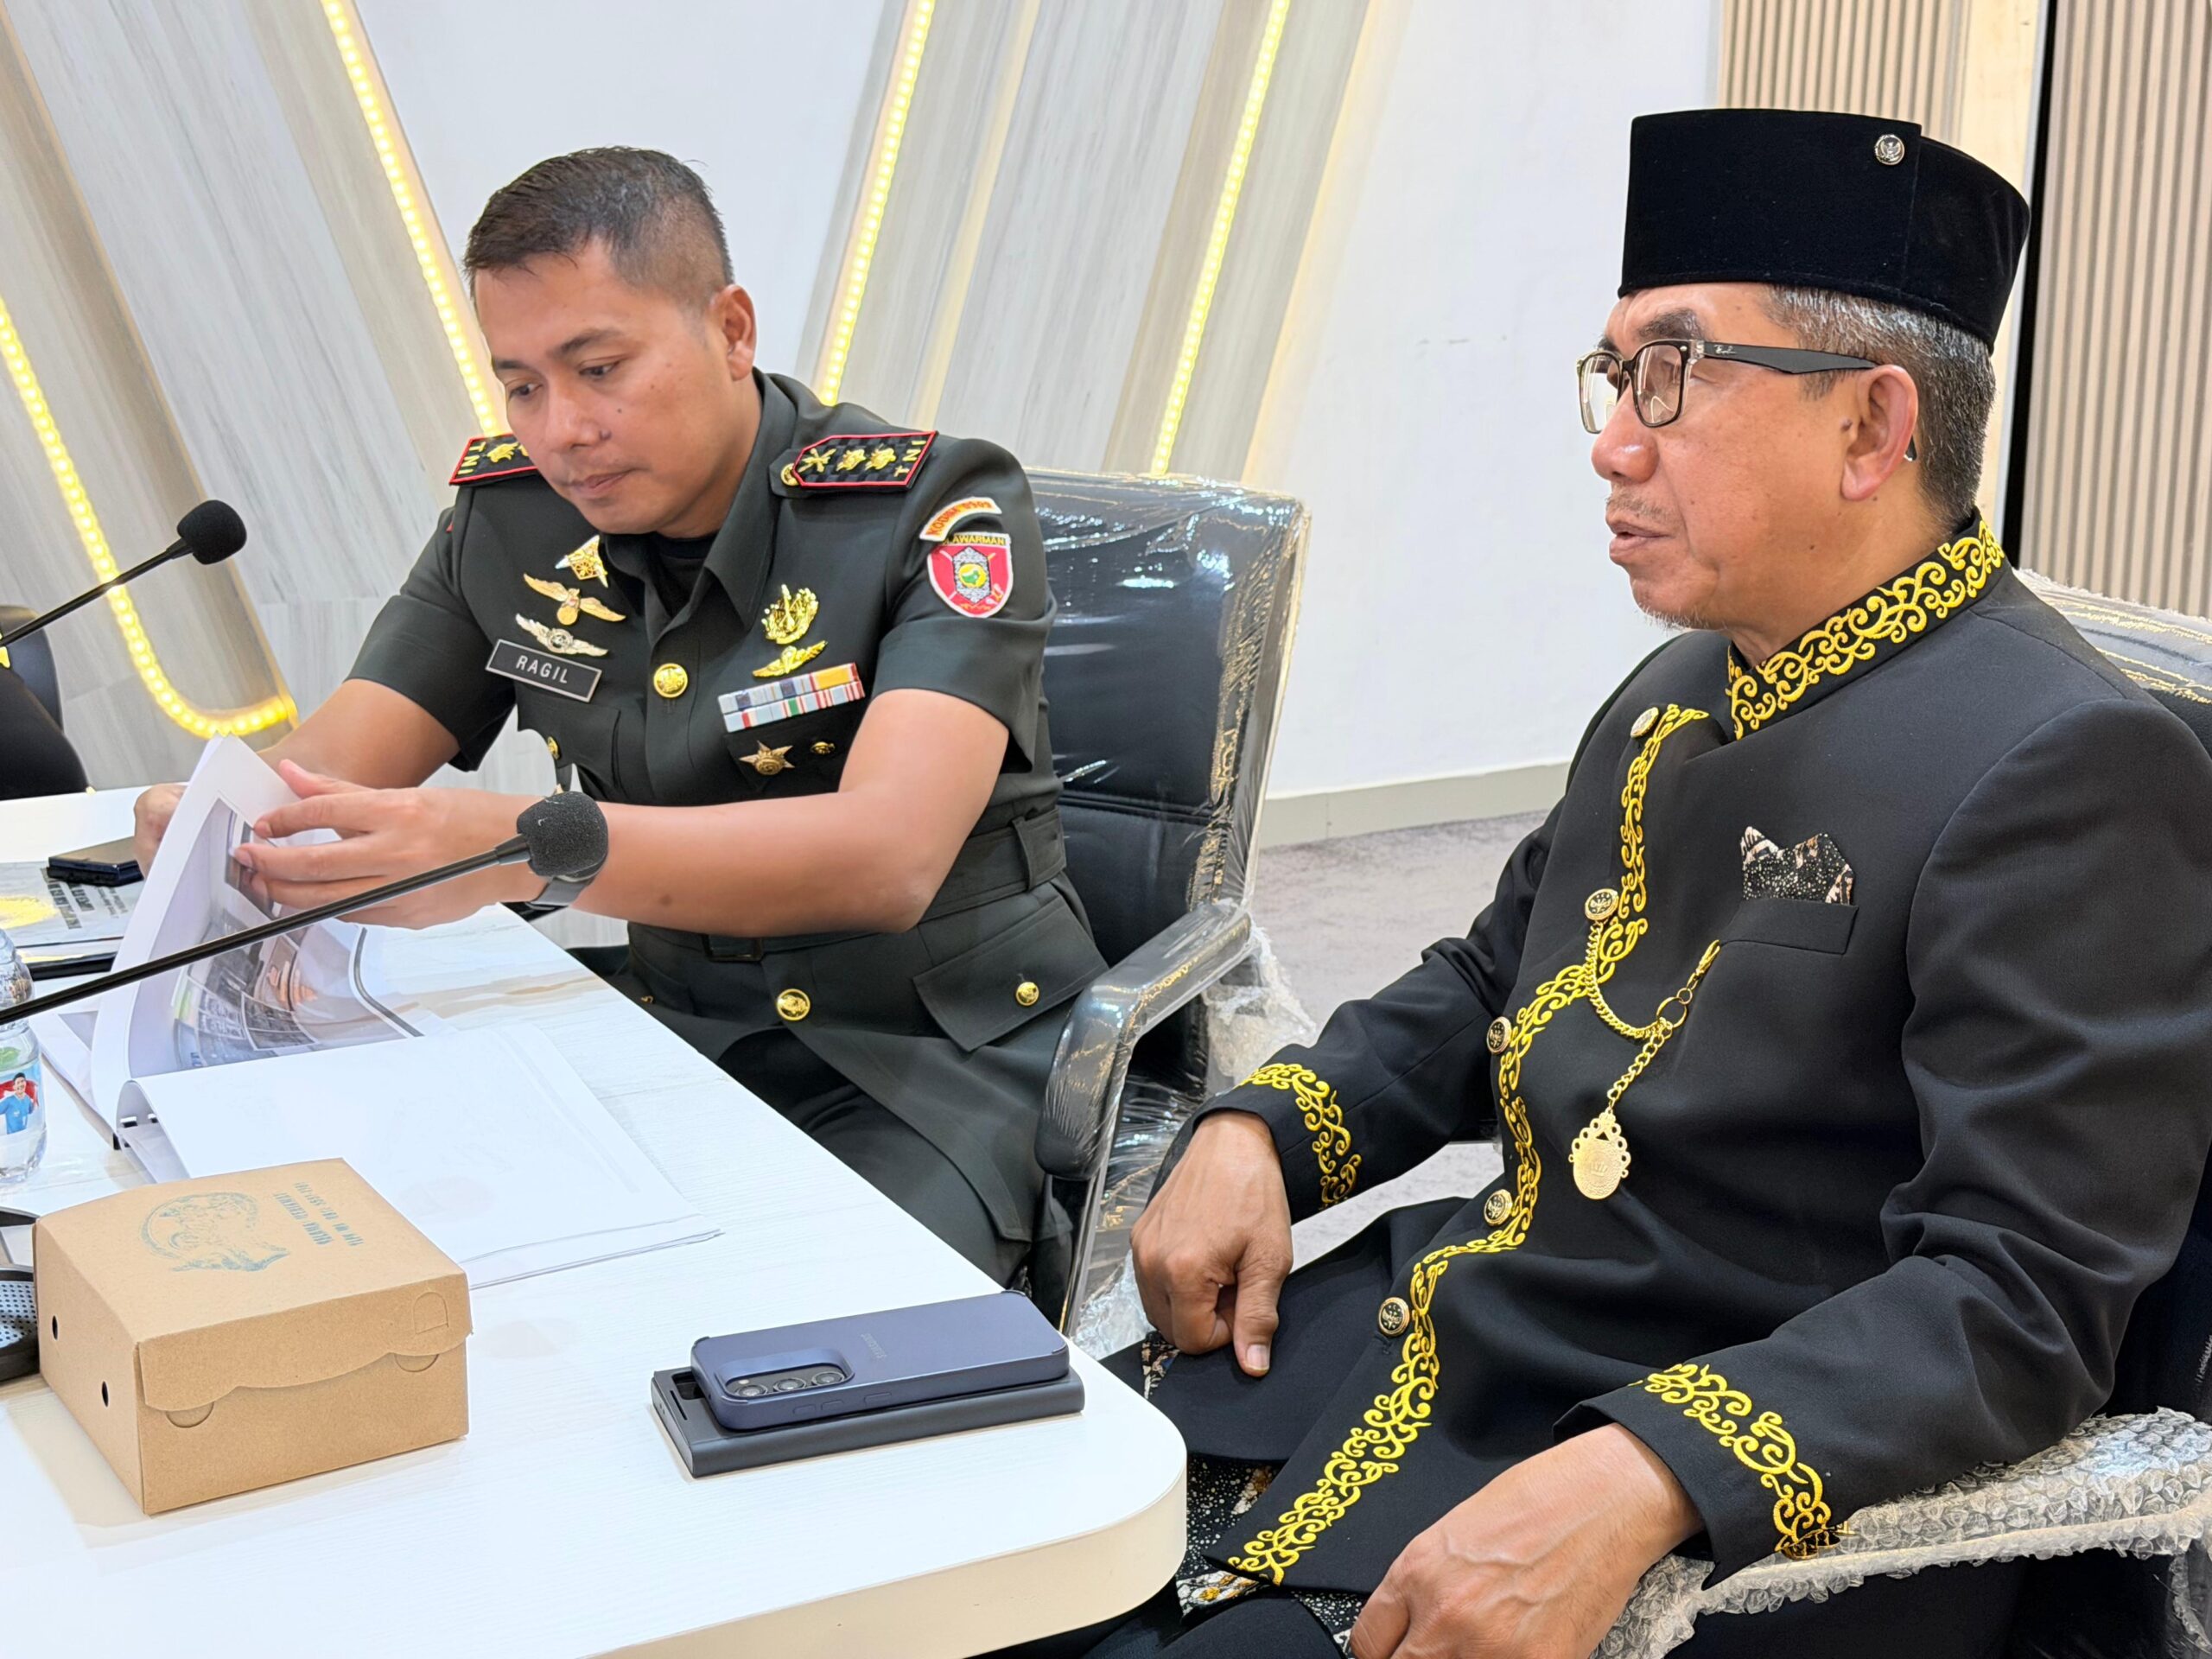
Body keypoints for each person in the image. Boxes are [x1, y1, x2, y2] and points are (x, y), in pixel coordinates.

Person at [1044, 109, 2212, 1657]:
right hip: (1447, 1339)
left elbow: (2021, 1296)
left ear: (1873, 428)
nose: (1613, 440)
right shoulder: (1683, 681)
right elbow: (1494, 977)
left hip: (1700, 1485)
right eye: (1615, 375)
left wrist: (1650, 1472)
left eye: (1676, 370)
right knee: (975, 1545)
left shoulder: (2068, 760)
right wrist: (1265, 1128)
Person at [131, 148, 1101, 1288]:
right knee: (419, 1265)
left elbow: (887, 858)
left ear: (731, 330)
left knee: (802, 1332)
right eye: (522, 386)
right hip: (670, 1027)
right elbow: (332, 768)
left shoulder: (933, 510)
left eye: (599, 369)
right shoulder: (512, 523)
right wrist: (219, 815)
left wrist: (516, 853)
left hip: (931, 1059)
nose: (562, 430)